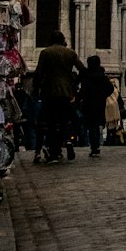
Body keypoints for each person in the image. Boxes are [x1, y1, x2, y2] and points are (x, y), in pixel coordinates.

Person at [34, 30, 85, 164]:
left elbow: (39, 72)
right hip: (66, 92)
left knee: (51, 122)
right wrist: (74, 82)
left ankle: (54, 152)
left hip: (50, 92)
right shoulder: (70, 53)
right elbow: (83, 69)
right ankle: (67, 140)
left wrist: (36, 87)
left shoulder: (45, 52)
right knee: (63, 120)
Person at [78, 54, 115, 158]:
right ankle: (97, 145)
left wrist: (78, 98)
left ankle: (94, 147)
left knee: (91, 126)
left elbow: (83, 90)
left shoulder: (87, 76)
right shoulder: (102, 76)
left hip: (89, 104)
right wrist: (102, 95)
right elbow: (110, 89)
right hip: (99, 103)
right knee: (97, 125)